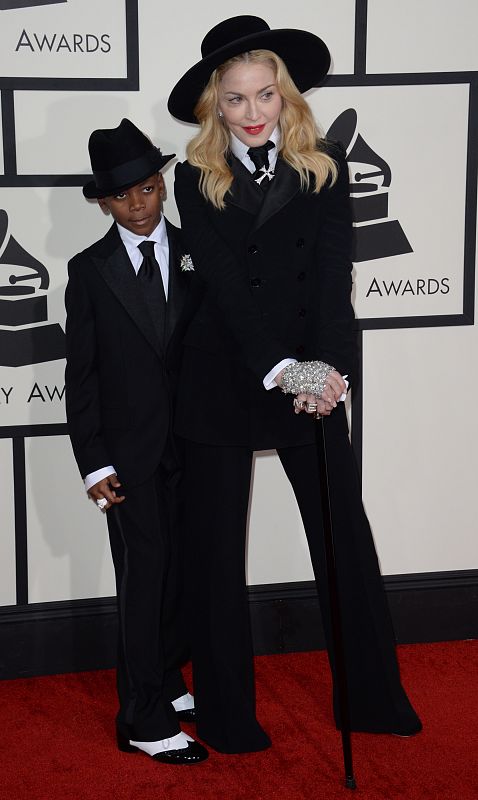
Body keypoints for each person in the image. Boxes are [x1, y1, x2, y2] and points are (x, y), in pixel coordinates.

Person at [167, 16, 422, 754]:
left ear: (286, 96)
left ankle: (371, 700)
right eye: (235, 99)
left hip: (314, 375)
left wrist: (329, 372)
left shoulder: (325, 164)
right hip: (223, 377)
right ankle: (227, 717)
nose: (252, 113)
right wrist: (285, 371)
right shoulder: (193, 175)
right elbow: (227, 289)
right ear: (215, 105)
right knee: (216, 556)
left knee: (344, 540)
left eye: (265, 95)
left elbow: (336, 277)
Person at [64, 118, 208, 764]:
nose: (139, 205)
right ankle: (143, 717)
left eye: (148, 189)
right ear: (103, 203)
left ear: (162, 185)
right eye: (122, 197)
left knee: (177, 572)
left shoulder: (196, 250)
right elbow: (82, 375)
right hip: (127, 457)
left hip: (195, 445)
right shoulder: (89, 271)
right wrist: (93, 461)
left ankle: (167, 678)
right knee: (144, 577)